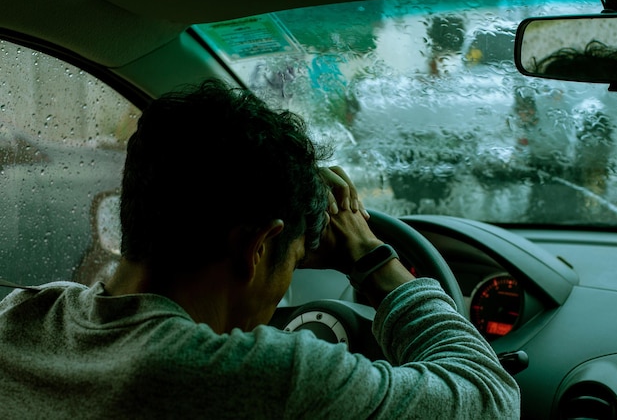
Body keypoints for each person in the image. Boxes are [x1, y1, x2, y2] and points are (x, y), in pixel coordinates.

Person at [0, 78, 520, 418]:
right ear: (257, 247)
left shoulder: (22, 316)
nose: (286, 285)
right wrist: (372, 257)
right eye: (291, 261)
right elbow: (491, 400)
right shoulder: (253, 378)